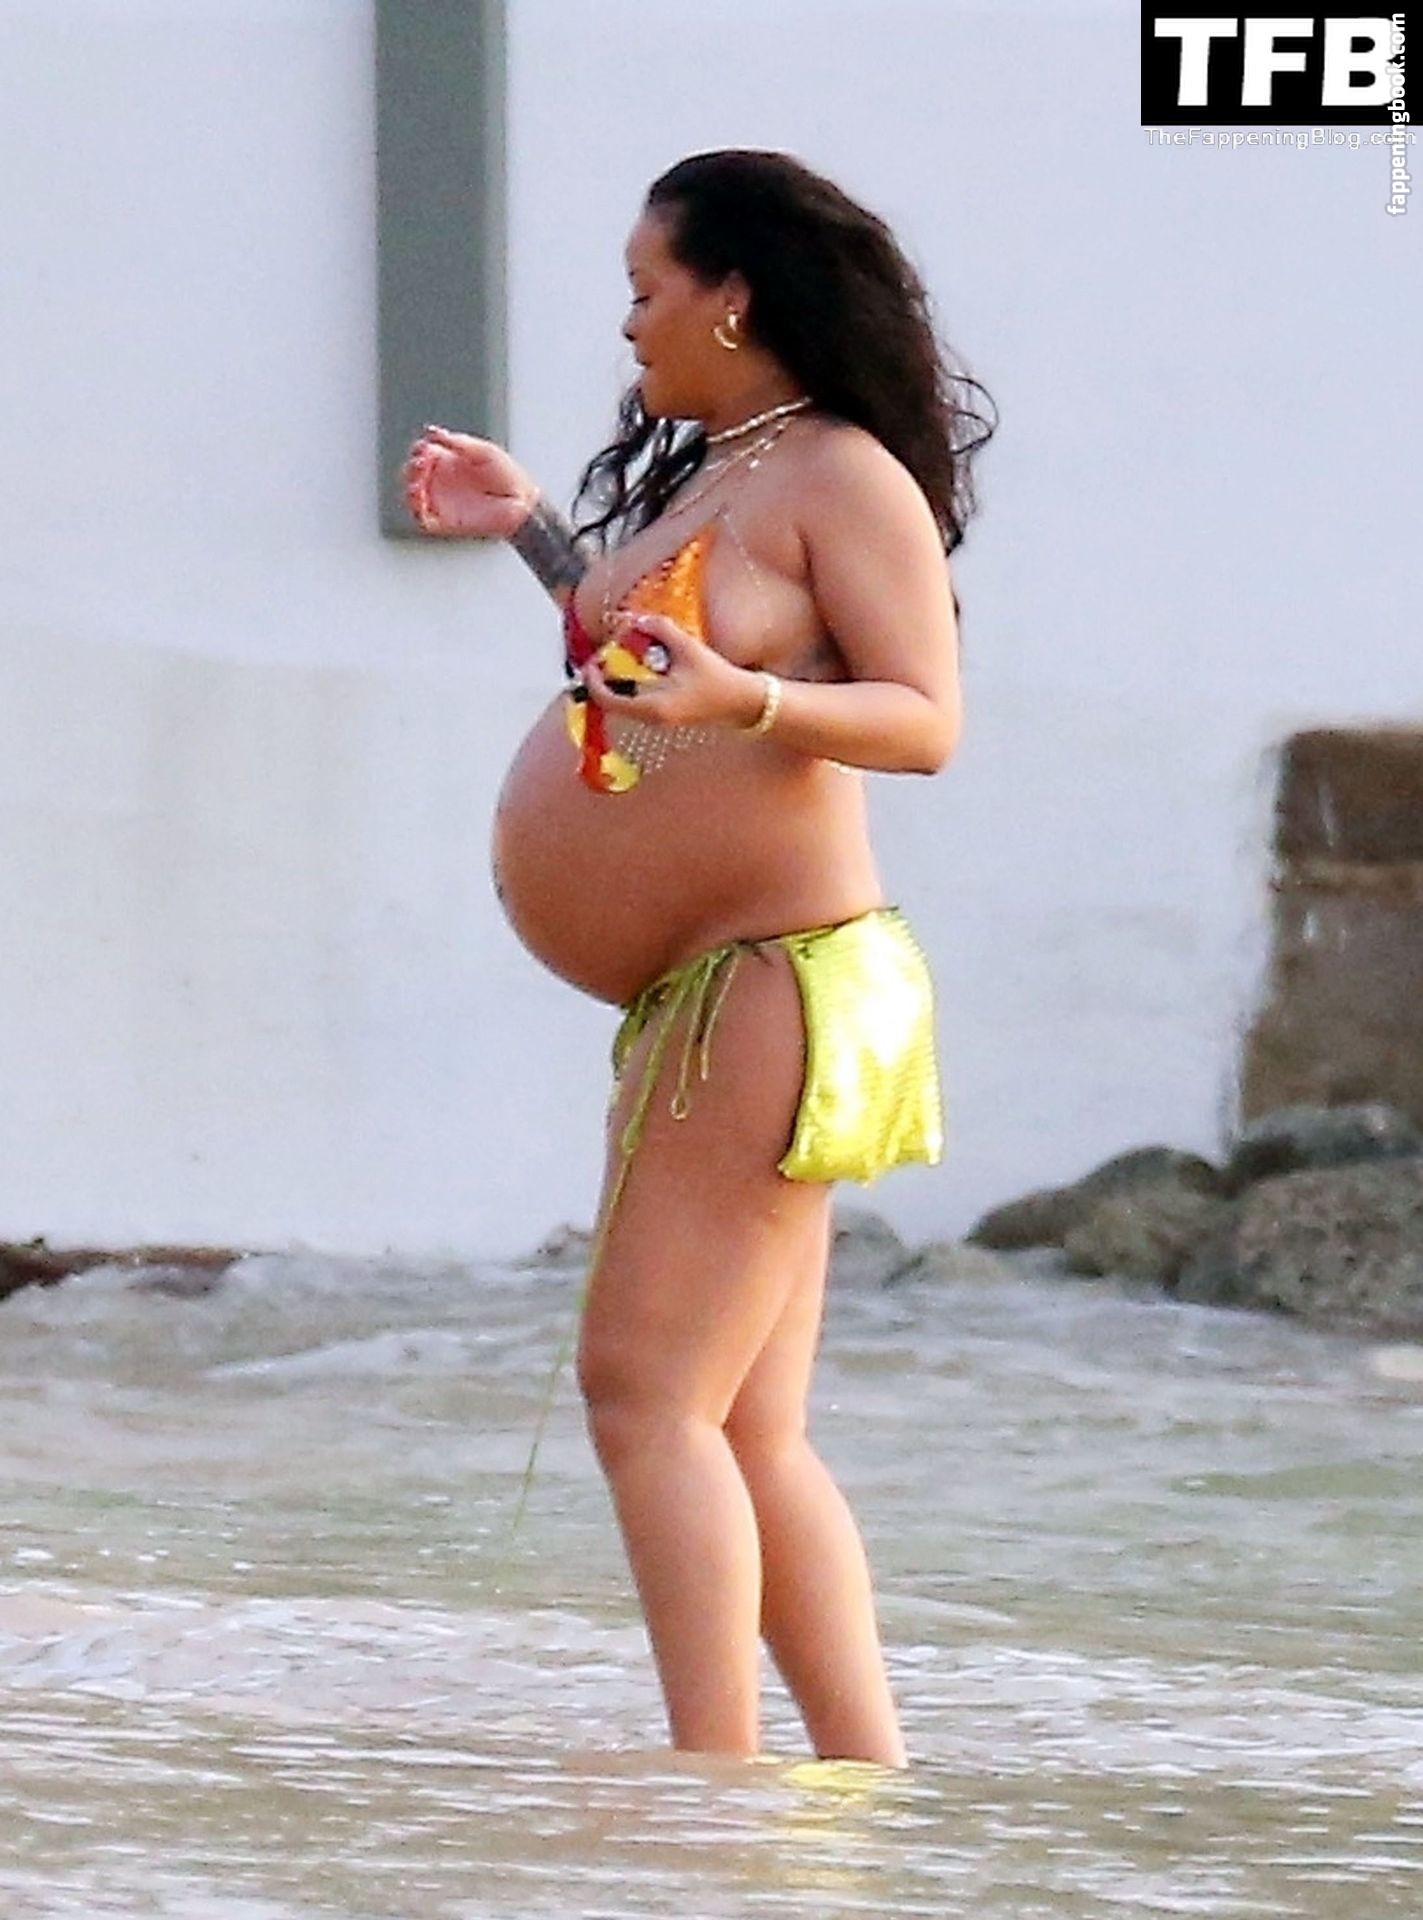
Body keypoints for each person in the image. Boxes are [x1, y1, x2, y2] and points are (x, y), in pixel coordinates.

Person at [401, 149, 996, 1768]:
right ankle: (863, 1789)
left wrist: (749, 701)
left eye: (646, 289)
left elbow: (926, 719)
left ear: (733, 297)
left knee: (642, 1394)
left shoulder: (841, 476)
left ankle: (713, 1793)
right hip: (723, 989)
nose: (629, 323)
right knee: (743, 1425)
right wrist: (531, 528)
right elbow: (635, 656)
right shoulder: (725, 470)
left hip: (780, 974)